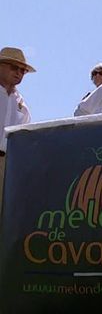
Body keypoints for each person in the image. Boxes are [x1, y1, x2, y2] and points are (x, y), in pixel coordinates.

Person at [0, 47, 34, 214]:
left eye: (23, 70)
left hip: (8, 165)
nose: (19, 73)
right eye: (14, 67)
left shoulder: (22, 104)